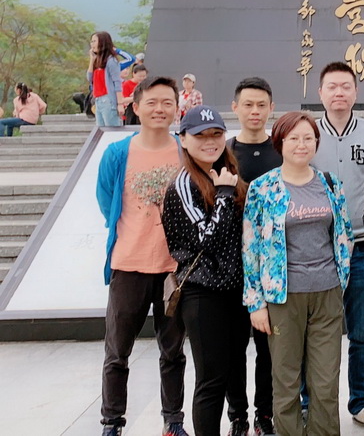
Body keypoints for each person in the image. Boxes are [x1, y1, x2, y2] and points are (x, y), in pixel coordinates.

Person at [243, 111, 353, 436]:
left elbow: (344, 235)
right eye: (294, 138)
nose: (301, 144)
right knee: (286, 381)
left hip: (326, 293)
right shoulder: (263, 188)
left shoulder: (330, 184)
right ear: (280, 143)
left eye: (308, 138)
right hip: (282, 297)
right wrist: (256, 303)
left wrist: (341, 280)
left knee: (325, 382)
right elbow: (251, 247)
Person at [95, 76, 188, 436]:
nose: (160, 109)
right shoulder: (118, 153)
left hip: (173, 269)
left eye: (167, 102)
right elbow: (107, 201)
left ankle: (173, 420)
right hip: (128, 265)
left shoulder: (185, 152)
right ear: (136, 107)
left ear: (177, 108)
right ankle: (112, 422)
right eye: (152, 102)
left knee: (173, 351)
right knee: (117, 352)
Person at [311, 61, 364, 433]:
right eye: (332, 86)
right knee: (317, 333)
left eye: (346, 86)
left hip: (363, 247)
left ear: (356, 92)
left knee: (362, 333)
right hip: (318, 250)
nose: (339, 92)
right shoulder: (307, 133)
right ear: (320, 92)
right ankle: (310, 404)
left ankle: (361, 403)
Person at [161, 105, 250, 436]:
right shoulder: (184, 184)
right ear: (183, 139)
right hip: (203, 293)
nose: (210, 142)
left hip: (236, 290)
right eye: (200, 136)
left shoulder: (228, 174)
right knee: (211, 378)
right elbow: (207, 239)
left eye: (216, 134)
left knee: (236, 364)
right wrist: (224, 194)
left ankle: (240, 421)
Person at [226, 77, 282, 435]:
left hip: (271, 267)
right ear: (235, 108)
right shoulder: (224, 153)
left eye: (261, 105)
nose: (255, 111)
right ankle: (238, 416)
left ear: (271, 108)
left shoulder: (282, 151)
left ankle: (265, 414)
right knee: (233, 347)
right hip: (231, 265)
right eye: (248, 104)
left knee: (269, 347)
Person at [88, 31, 125, 127]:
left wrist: (120, 104)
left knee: (111, 129)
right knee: (101, 130)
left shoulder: (111, 61)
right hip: (98, 100)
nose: (92, 44)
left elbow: (117, 83)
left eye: (94, 41)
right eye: (91, 41)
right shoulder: (97, 61)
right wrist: (92, 60)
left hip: (108, 99)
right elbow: (89, 78)